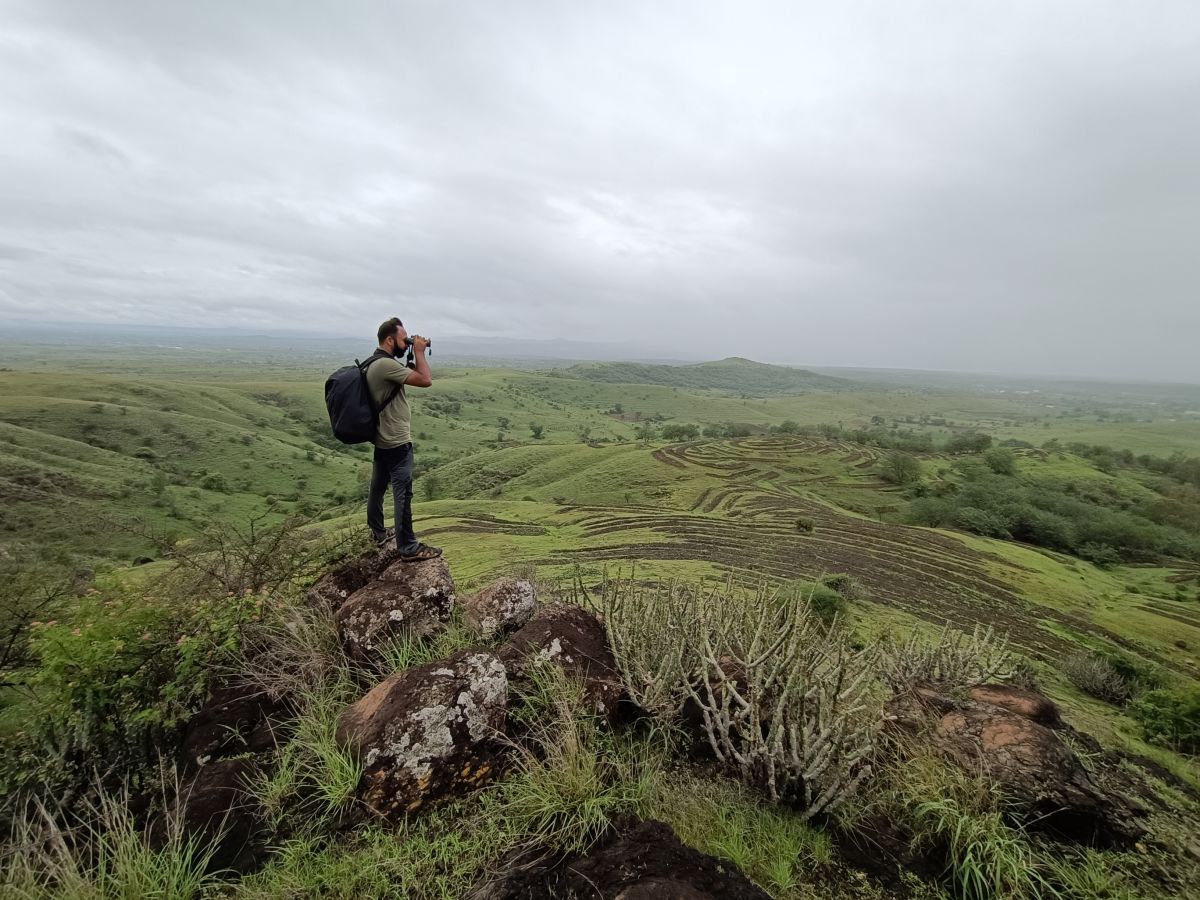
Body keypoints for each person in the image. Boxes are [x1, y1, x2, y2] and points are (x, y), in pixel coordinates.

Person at [365, 317, 442, 561]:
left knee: (378, 487)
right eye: (403, 338)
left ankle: (378, 532)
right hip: (396, 440)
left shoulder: (374, 362)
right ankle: (408, 546)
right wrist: (419, 351)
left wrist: (412, 349)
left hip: (382, 437)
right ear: (389, 340)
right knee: (403, 492)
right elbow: (425, 379)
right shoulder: (385, 365)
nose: (406, 342)